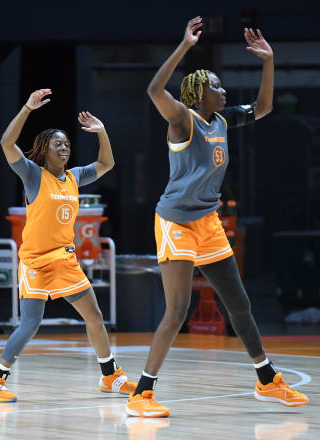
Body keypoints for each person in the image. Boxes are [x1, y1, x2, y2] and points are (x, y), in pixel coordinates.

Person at [126, 17, 309, 417]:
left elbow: (263, 107)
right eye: (216, 86)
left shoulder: (223, 121)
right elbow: (154, 89)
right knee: (177, 312)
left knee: (238, 303)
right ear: (198, 93)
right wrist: (184, 46)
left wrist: (268, 61)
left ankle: (267, 381)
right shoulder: (181, 121)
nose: (223, 91)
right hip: (175, 222)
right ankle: (142, 394)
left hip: (207, 223)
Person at [0, 89, 135, 402]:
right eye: (57, 143)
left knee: (94, 316)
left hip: (64, 261)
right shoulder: (32, 174)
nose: (64, 147)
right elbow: (6, 144)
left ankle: (110, 376)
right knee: (30, 324)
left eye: (66, 143)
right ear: (43, 149)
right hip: (35, 262)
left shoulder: (75, 177)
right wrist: (26, 108)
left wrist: (102, 131)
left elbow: (106, 163)